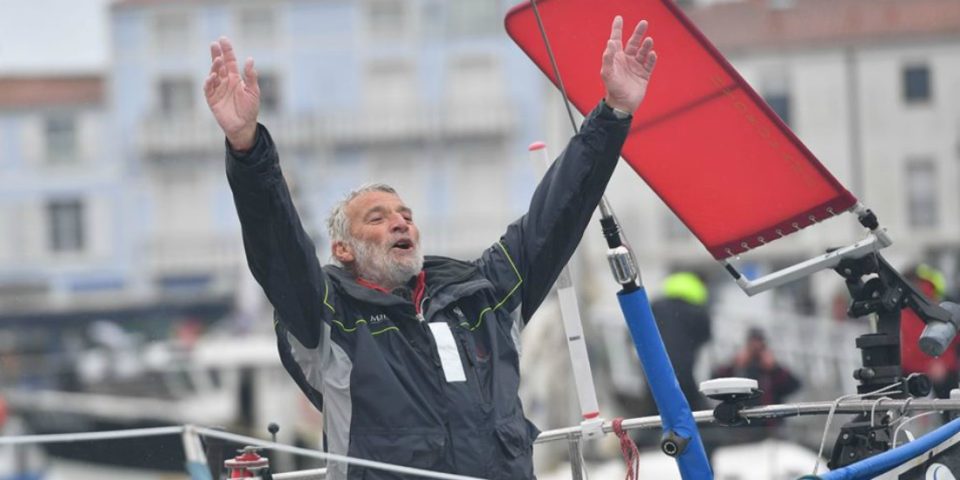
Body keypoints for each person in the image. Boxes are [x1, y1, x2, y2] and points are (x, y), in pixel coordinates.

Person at [204, 16, 658, 480]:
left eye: (406, 215)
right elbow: (276, 244)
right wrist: (246, 147)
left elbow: (554, 216)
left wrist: (613, 113)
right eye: (377, 218)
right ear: (343, 249)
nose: (400, 222)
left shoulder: (482, 294)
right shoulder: (327, 316)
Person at [712, 328, 800, 433]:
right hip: (739, 427)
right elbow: (716, 380)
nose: (755, 347)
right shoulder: (737, 366)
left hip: (768, 427)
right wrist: (735, 365)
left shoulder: (772, 370)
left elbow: (794, 385)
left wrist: (774, 369)